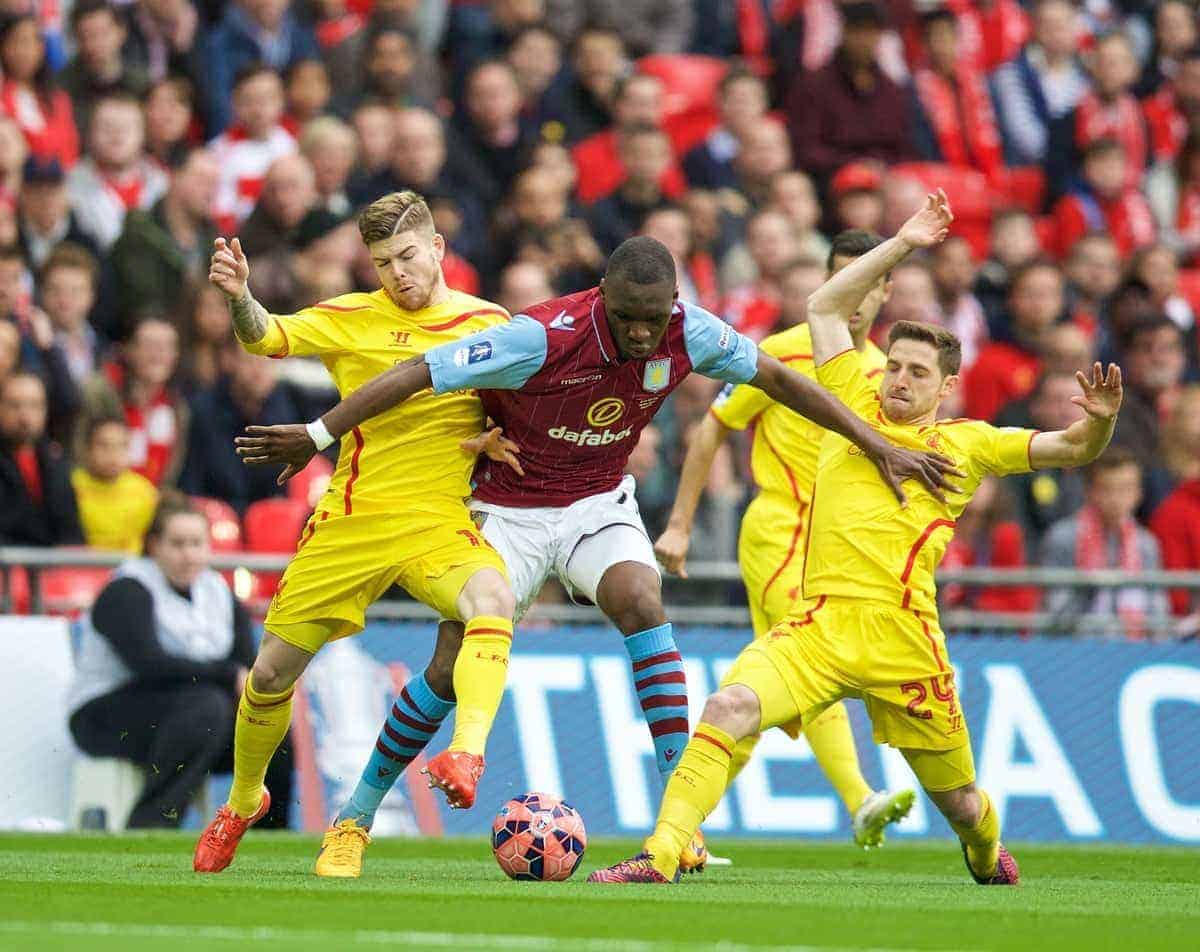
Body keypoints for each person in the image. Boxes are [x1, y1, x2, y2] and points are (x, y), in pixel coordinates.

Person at [236, 235, 959, 878]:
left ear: (674, 303)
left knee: (642, 601)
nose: (642, 332)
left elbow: (781, 382)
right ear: (601, 299)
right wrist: (319, 434)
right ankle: (353, 821)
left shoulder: (691, 332)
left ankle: (684, 826)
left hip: (595, 502)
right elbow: (422, 371)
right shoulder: (541, 335)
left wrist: (880, 445)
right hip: (507, 508)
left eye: (654, 316)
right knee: (449, 666)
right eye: (626, 317)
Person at [587, 191, 1124, 886]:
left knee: (959, 802)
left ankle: (986, 850)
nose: (899, 380)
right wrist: (902, 241)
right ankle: (659, 855)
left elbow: (1075, 447)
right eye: (894, 365)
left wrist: (1104, 421)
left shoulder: (972, 446)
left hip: (904, 641)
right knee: (728, 706)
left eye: (917, 373)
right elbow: (823, 309)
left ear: (947, 388)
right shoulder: (848, 398)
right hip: (819, 625)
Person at [192, 190, 518, 877]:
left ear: (437, 249)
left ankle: (466, 750)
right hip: (352, 521)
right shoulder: (350, 317)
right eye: (382, 263)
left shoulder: (490, 323)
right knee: (271, 672)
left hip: (437, 521)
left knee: (491, 601)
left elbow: (522, 405)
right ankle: (245, 801)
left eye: (406, 256)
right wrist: (241, 295)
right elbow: (265, 337)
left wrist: (500, 438)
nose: (397, 273)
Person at [654, 229, 913, 850]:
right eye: (839, 280)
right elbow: (713, 429)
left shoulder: (885, 375)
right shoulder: (780, 353)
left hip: (837, 551)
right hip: (776, 533)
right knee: (812, 661)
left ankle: (682, 828)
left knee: (758, 695)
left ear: (884, 289)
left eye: (863, 281)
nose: (851, 297)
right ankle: (861, 798)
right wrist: (681, 524)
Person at [68, 494, 292, 829]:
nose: (188, 554)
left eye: (196, 543)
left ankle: (267, 832)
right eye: (177, 544)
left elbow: (246, 661)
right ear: (154, 545)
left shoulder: (216, 591)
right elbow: (149, 665)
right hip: (104, 715)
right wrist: (226, 673)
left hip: (189, 714)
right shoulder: (128, 590)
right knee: (207, 705)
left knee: (267, 723)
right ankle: (151, 822)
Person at [1041, 447, 1170, 638]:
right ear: (1089, 491)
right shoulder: (1063, 537)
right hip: (1075, 647)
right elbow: (1055, 612)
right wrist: (1090, 586)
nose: (1116, 499)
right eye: (1107, 489)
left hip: (1135, 647)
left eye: (1126, 489)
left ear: (1138, 493)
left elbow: (1157, 610)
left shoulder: (1146, 544)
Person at [0, 371, 83, 545]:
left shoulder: (57, 463)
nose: (25, 416)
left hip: (56, 567)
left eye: (34, 406)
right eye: (15, 405)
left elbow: (71, 530)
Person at [71, 413, 158, 552]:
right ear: (87, 449)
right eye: (104, 445)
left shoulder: (144, 491)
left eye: (121, 446)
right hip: (81, 567)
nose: (113, 454)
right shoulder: (71, 487)